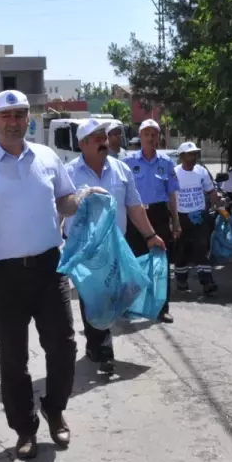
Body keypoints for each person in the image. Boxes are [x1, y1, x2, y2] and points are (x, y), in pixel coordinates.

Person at [0, 90, 104, 460]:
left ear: (29, 119)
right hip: (2, 276)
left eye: (20, 114)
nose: (14, 121)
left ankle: (54, 407)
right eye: (6, 115)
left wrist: (82, 198)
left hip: (49, 267)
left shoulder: (48, 158)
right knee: (14, 356)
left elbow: (62, 202)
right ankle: (24, 428)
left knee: (64, 345)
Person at [67, 119, 166, 373]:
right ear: (82, 144)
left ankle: (96, 342)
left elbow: (134, 206)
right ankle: (102, 346)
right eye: (97, 138)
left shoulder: (122, 170)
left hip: (115, 247)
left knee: (110, 294)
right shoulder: (68, 173)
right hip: (83, 250)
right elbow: (56, 211)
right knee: (93, 295)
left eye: (104, 136)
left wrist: (150, 235)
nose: (104, 141)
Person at [124, 118, 180, 323]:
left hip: (158, 215)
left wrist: (176, 221)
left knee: (160, 263)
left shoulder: (166, 164)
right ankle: (133, 306)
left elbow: (172, 195)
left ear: (159, 138)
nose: (150, 138)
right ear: (140, 136)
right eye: (146, 134)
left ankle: (162, 308)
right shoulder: (128, 162)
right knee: (134, 261)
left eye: (154, 134)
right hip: (135, 216)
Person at [172, 141, 223, 296]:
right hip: (181, 217)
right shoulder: (174, 173)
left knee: (201, 248)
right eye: (190, 154)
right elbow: (170, 197)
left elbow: (211, 191)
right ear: (182, 156)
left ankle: (207, 282)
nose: (193, 157)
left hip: (200, 217)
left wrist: (220, 202)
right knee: (182, 250)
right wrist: (172, 220)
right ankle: (181, 280)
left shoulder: (201, 171)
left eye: (195, 154)